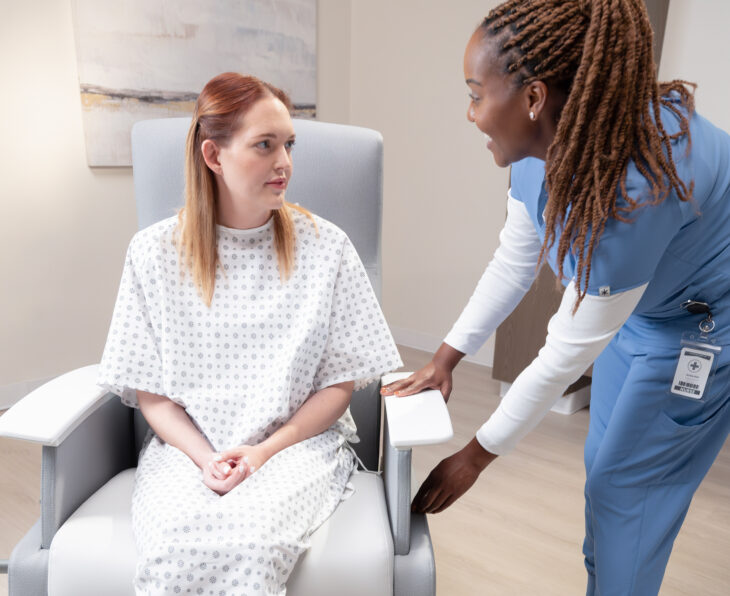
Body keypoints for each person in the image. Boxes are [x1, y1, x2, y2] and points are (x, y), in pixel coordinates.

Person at [381, 1, 730, 594]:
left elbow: (563, 354)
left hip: (699, 329)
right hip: (637, 316)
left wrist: (475, 456)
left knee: (627, 490)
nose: (470, 114)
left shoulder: (634, 193)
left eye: (475, 95)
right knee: (603, 469)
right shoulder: (543, 149)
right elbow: (514, 262)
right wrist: (445, 359)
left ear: (534, 98)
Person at [98, 72, 402, 596]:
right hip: (186, 453)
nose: (284, 163)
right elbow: (154, 395)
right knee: (174, 545)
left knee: (251, 541)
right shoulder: (152, 254)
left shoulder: (326, 249)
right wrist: (204, 458)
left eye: (289, 145)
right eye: (265, 145)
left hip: (295, 450)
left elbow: (338, 386)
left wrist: (262, 453)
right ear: (213, 156)